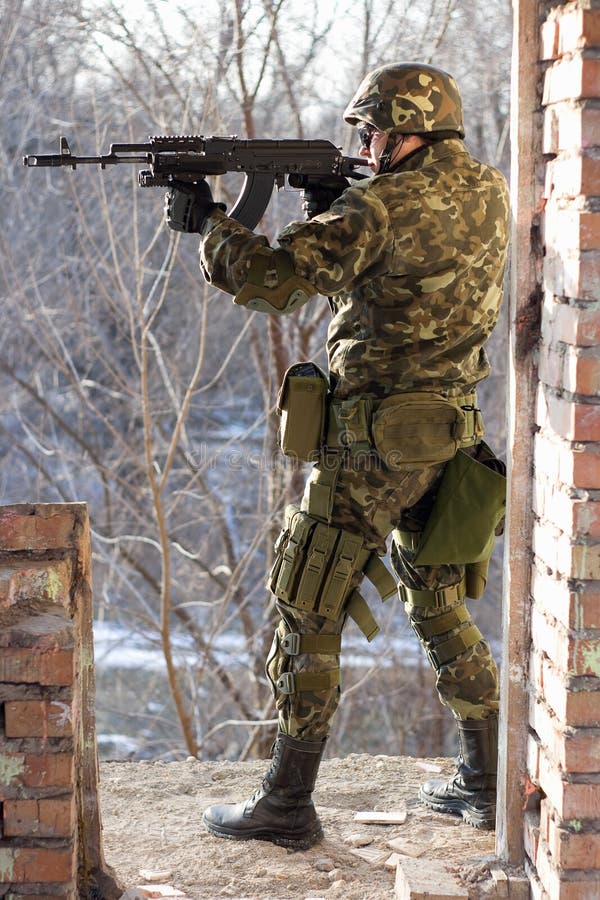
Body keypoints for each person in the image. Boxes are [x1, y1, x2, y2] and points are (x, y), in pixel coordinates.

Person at [165, 62, 510, 849]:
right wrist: (335, 205)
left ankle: (287, 804)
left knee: (307, 605)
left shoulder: (379, 207)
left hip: (370, 447)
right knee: (439, 602)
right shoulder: (488, 191)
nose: (364, 142)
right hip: (450, 436)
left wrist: (213, 220)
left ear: (407, 132)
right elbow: (400, 277)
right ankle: (486, 780)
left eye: (373, 131)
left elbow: (272, 282)